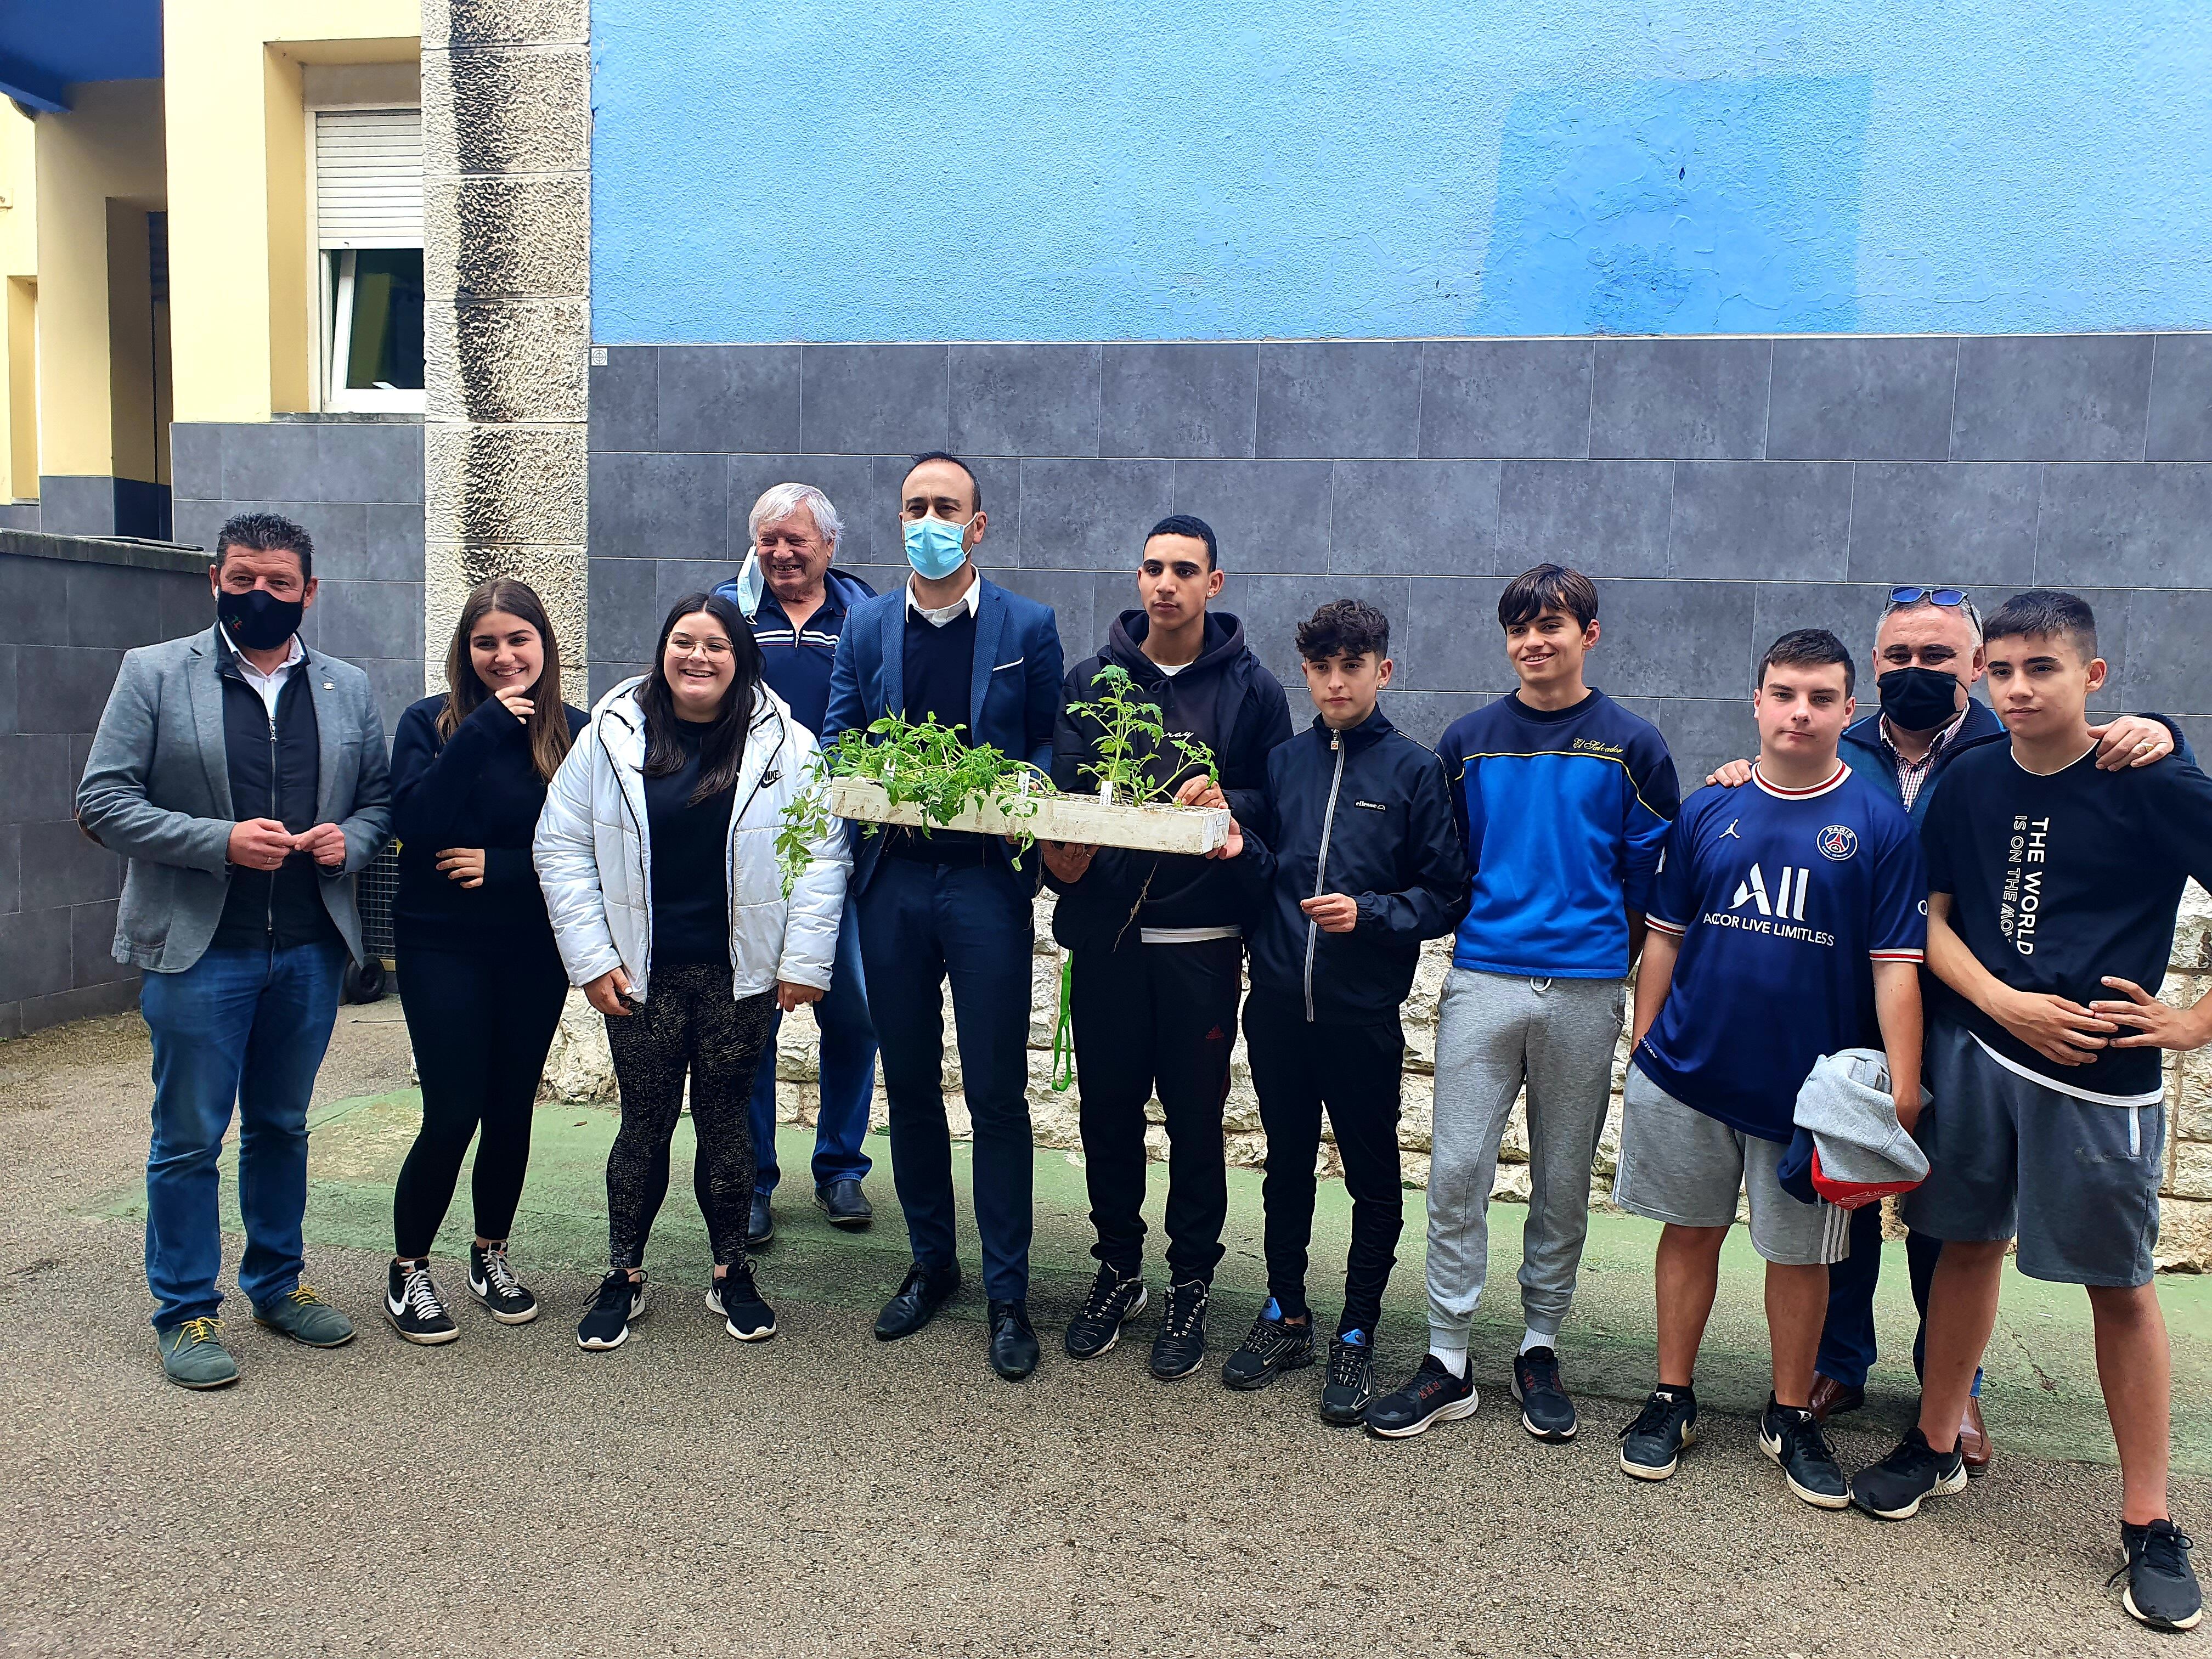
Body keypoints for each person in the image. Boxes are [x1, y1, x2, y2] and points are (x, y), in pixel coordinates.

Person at [1703, 586, 2186, 1476]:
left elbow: (2106, 749)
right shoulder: (1842, 744)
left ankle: (1950, 1394)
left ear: (1966, 667)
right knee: (1840, 1193)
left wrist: (2162, 729)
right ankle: (1837, 1366)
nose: (1916, 672)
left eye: (1937, 657)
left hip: (1980, 1028)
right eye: (1899, 658)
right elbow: (1783, 781)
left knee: (1955, 1233)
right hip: (1853, 1008)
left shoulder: (2012, 748)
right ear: (1875, 671)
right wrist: (1739, 773)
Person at [1849, 591, 2212, 1633]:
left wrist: (2190, 1024)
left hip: (2097, 1078)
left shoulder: (2151, 779)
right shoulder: (1970, 777)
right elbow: (1932, 916)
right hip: (1979, 1056)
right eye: (1999, 671)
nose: (2016, 689)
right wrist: (2003, 1001)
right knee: (1961, 1247)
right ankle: (1931, 1441)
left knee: (2122, 1287)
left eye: (2040, 670)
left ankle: (2149, 1520)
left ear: (2092, 678)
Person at [75, 511, 393, 1389]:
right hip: (198, 949)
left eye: (280, 583)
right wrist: (217, 840)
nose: (262, 596)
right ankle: (185, 1312)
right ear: (214, 579)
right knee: (188, 1139)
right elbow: (101, 802)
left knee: (284, 1127)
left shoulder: (346, 687)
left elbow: (377, 802)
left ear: (310, 592)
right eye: (245, 578)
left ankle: (278, 1286)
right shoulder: (153, 674)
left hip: (306, 950)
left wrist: (352, 842)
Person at [1612, 628, 1927, 1508]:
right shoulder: (1710, 807)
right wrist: (1643, 1048)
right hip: (1689, 1072)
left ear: (1847, 710)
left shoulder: (1878, 823)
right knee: (1689, 1232)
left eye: (1821, 698)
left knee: (1801, 1261)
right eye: (1784, 693)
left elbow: (1895, 964)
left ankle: (1791, 1414)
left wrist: (1901, 1088)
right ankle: (1672, 1396)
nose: (1801, 711)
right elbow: (1666, 935)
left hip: (1809, 1097)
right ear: (1756, 702)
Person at [1365, 565, 1677, 1444]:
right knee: (1457, 1169)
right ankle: (1448, 1358)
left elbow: (1653, 882)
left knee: (1562, 1179)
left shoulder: (1633, 744)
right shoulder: (1468, 740)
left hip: (1585, 990)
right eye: (1519, 628)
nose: (1534, 641)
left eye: (1552, 625)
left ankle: (1539, 1346)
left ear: (1590, 632)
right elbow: (1446, 861)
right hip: (1484, 979)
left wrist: (1618, 968)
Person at [534, 593, 848, 1352]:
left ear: (742, 659)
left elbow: (821, 854)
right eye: (683, 642)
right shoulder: (611, 733)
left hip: (740, 975)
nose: (697, 657)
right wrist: (592, 959)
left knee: (725, 1122)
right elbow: (561, 844)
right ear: (661, 650)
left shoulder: (790, 745)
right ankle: (623, 1276)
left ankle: (731, 1272)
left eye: (716, 645)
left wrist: (804, 962)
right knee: (641, 1124)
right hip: (640, 976)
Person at [821, 450, 1064, 1383]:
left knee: (997, 1094)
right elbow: (841, 732)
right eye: (916, 505)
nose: (930, 519)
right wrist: (869, 778)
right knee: (913, 1084)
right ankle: (934, 1266)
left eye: (947, 507)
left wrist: (1025, 788)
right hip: (893, 883)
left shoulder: (1025, 625)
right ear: (899, 520)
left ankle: (1009, 1292)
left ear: (978, 525)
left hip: (984, 885)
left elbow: (1047, 738)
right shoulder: (867, 626)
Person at [1041, 514, 1293, 1380]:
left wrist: (1228, 802)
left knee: (1193, 1122)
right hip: (1108, 942)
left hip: (1201, 941)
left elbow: (1276, 801)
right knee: (1106, 1116)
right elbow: (1065, 801)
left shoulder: (1254, 690)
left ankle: (1191, 1281)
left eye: (1185, 570)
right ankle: (1118, 1270)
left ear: (1214, 584)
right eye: (1152, 568)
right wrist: (1058, 857)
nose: (1165, 583)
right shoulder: (1090, 680)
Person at [1215, 599, 1470, 1424]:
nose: (1334, 682)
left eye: (1350, 666)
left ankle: (1357, 1331)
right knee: (1285, 1167)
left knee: (1371, 1179)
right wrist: (1237, 844)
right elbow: (1260, 875)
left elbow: (1444, 894)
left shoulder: (1414, 770)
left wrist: (1372, 915)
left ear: (1382, 671)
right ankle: (1285, 1313)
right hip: (1280, 1009)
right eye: (1321, 668)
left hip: (1363, 1016)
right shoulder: (1284, 763)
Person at [383, 580, 585, 1342]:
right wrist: (482, 727)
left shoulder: (575, 730)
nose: (503, 656)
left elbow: (592, 848)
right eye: (486, 644)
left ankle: (490, 1254)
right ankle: (408, 1270)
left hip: (534, 946)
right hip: (443, 945)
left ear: (544, 645)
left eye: (518, 641)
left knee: (509, 1112)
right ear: (465, 653)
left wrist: (505, 868)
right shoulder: (427, 723)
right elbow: (418, 821)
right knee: (453, 1110)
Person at [713, 483, 881, 1247]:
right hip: (745, 842)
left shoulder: (870, 615)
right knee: (749, 1013)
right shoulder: (726, 611)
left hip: (841, 842)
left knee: (855, 1009)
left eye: (795, 540)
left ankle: (841, 1166)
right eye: (767, 539)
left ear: (829, 545)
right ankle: (749, 1179)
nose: (780, 553)